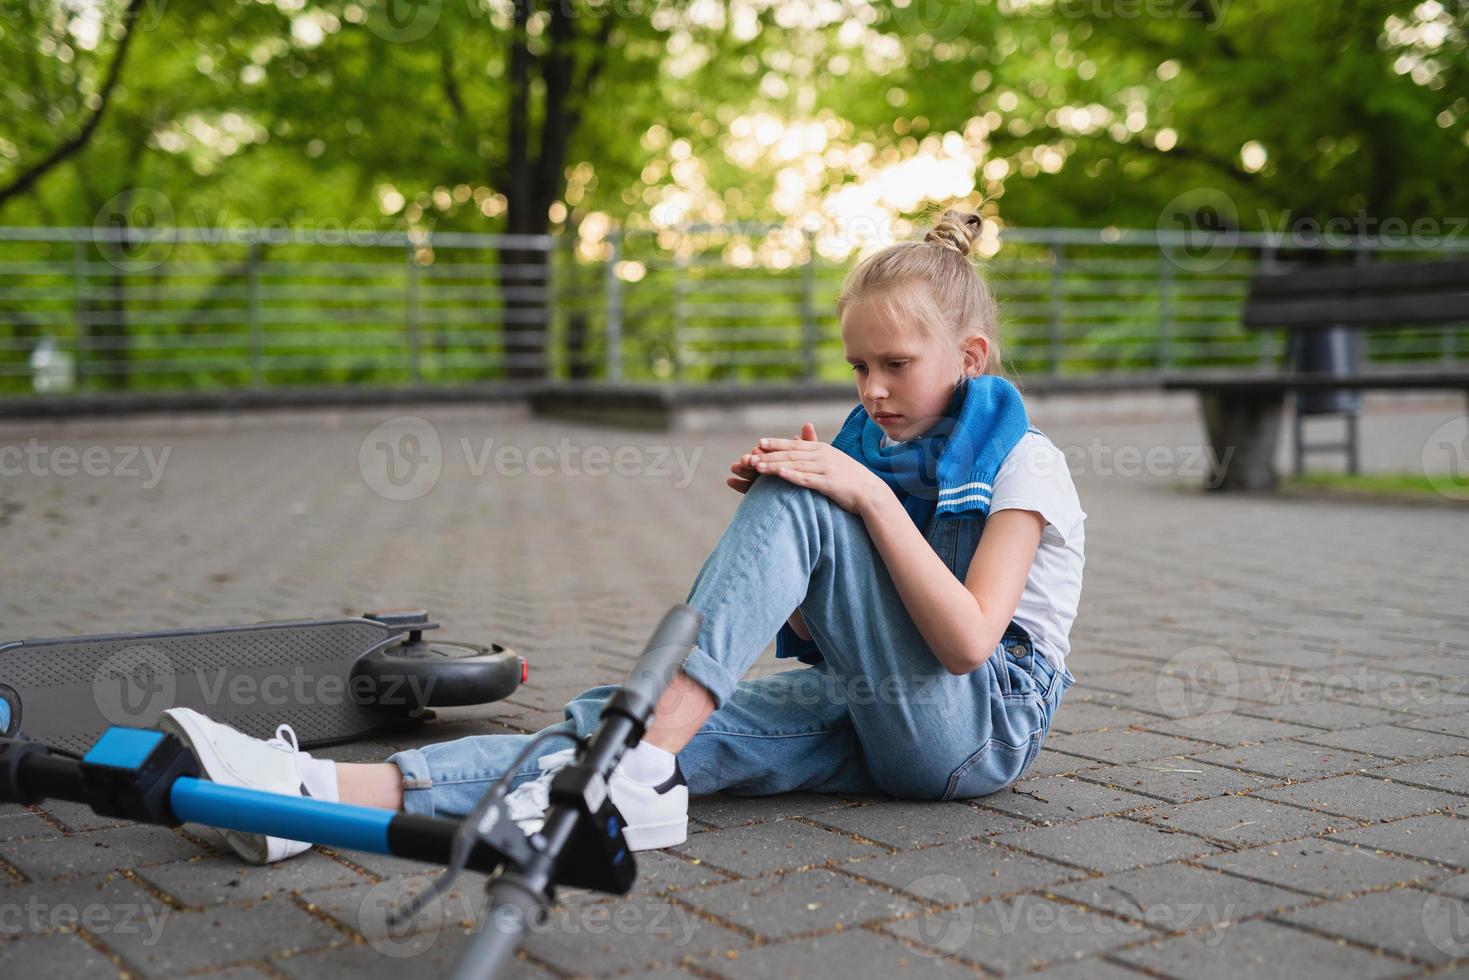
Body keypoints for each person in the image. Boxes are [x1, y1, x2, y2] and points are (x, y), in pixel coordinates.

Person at [158, 206, 1086, 865]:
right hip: (872, 706)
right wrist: (795, 553)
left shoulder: (1021, 463)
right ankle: (304, 802)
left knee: (800, 512)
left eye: (895, 365)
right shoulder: (869, 444)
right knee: (617, 721)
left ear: (967, 360)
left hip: (978, 730)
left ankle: (631, 769)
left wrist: (851, 507)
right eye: (856, 367)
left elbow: (967, 642)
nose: (870, 390)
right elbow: (812, 642)